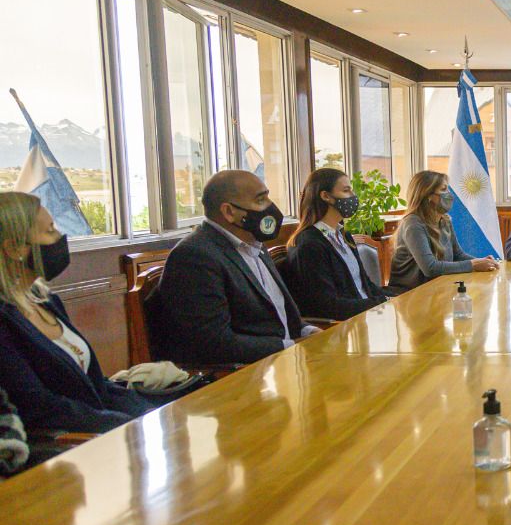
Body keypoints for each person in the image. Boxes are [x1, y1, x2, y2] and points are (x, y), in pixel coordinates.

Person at [0, 193, 150, 433]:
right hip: (65, 446)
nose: (60, 239)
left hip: (101, 427)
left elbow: (95, 385)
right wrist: (123, 424)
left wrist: (149, 411)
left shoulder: (46, 300)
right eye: (50, 231)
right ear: (15, 248)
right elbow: (39, 407)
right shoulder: (5, 322)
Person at [156, 169, 317, 366]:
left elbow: (279, 314)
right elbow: (214, 343)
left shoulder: (254, 244)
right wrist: (291, 346)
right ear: (229, 212)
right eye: (260, 200)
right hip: (242, 377)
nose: (271, 207)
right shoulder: (194, 256)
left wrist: (307, 331)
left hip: (285, 362)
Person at [285, 168, 388, 320]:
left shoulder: (343, 234)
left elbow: (364, 282)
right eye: (346, 191)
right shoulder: (309, 244)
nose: (353, 197)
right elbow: (327, 305)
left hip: (367, 313)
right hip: (344, 324)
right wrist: (377, 302)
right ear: (326, 196)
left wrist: (387, 298)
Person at [387, 170, 499, 294]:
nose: (449, 195)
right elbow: (430, 268)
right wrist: (473, 265)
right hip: (407, 294)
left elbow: (458, 255)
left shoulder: (445, 220)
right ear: (428, 195)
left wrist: (483, 262)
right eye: (443, 189)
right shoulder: (413, 223)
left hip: (435, 290)